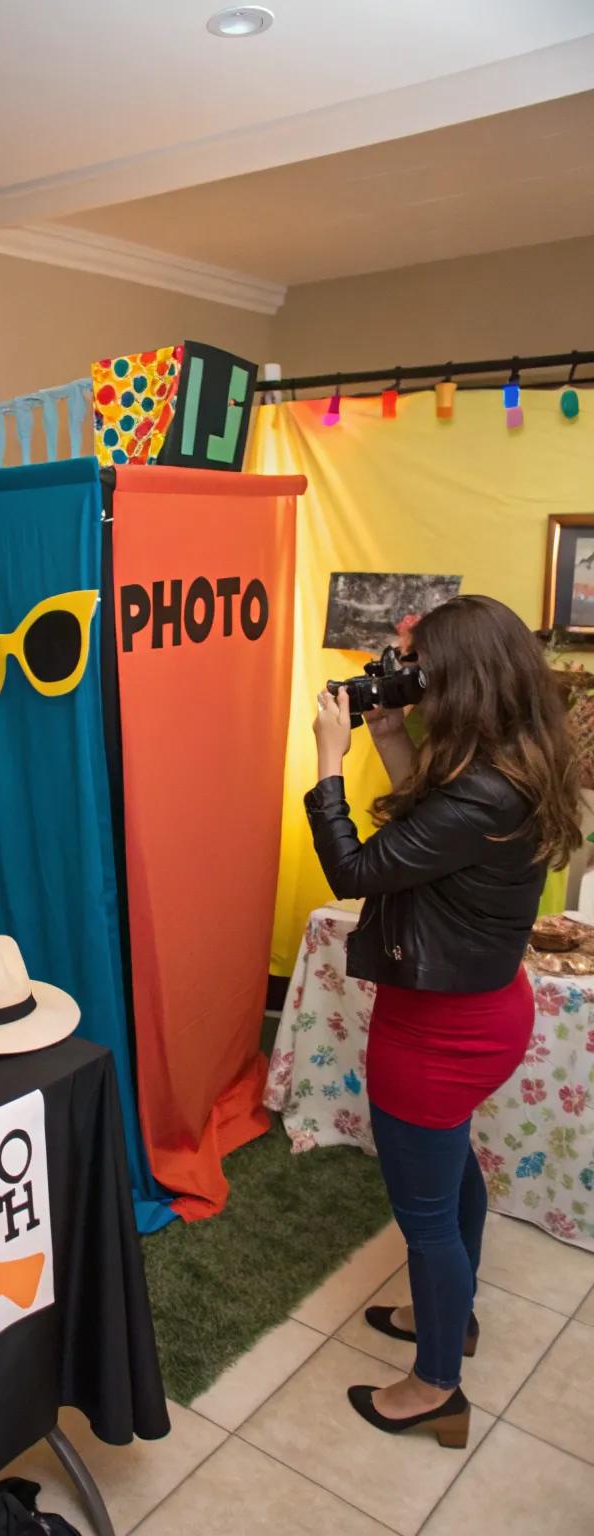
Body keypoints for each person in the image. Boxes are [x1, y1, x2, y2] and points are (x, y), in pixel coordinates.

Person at [306, 595, 580, 1448]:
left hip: (437, 1035)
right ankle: (449, 1325)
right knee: (454, 1175)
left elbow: (356, 870)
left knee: (426, 1219)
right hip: (482, 1013)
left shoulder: (482, 792)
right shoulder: (513, 766)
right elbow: (431, 841)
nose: (411, 682)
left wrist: (328, 762)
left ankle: (436, 1388)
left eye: (424, 669)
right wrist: (391, 738)